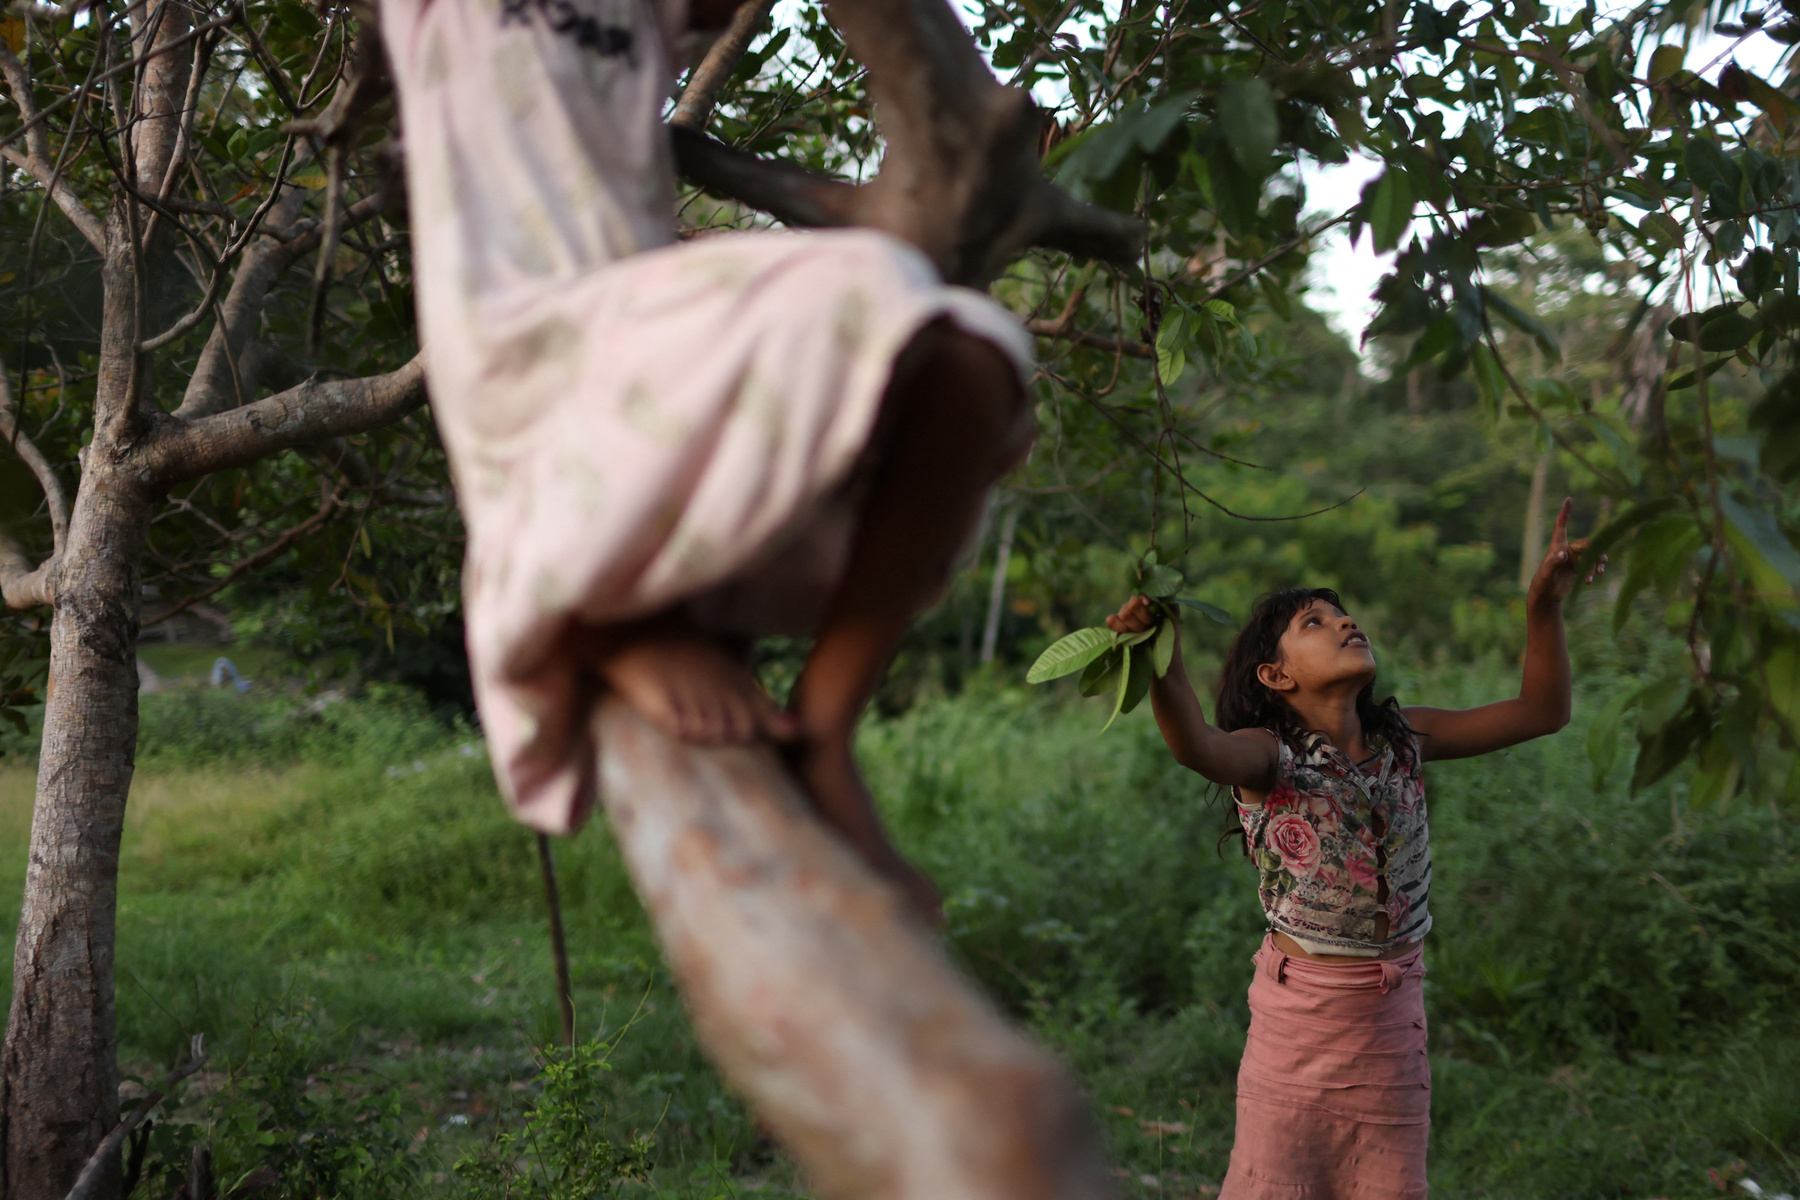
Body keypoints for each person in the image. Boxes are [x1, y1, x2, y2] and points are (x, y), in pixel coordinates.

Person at [377, 0, 1034, 920]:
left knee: (973, 352)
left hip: (640, 345)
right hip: (519, 346)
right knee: (875, 280)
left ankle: (826, 726)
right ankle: (607, 627)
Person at [1103, 499, 1604, 1199]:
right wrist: (1163, 658)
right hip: (1298, 1027)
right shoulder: (1269, 756)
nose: (1344, 622)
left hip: (1392, 1022)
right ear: (1276, 676)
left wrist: (1542, 605)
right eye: (1314, 622)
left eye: (1343, 615)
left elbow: (1542, 712)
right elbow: (1196, 746)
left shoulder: (1405, 740)